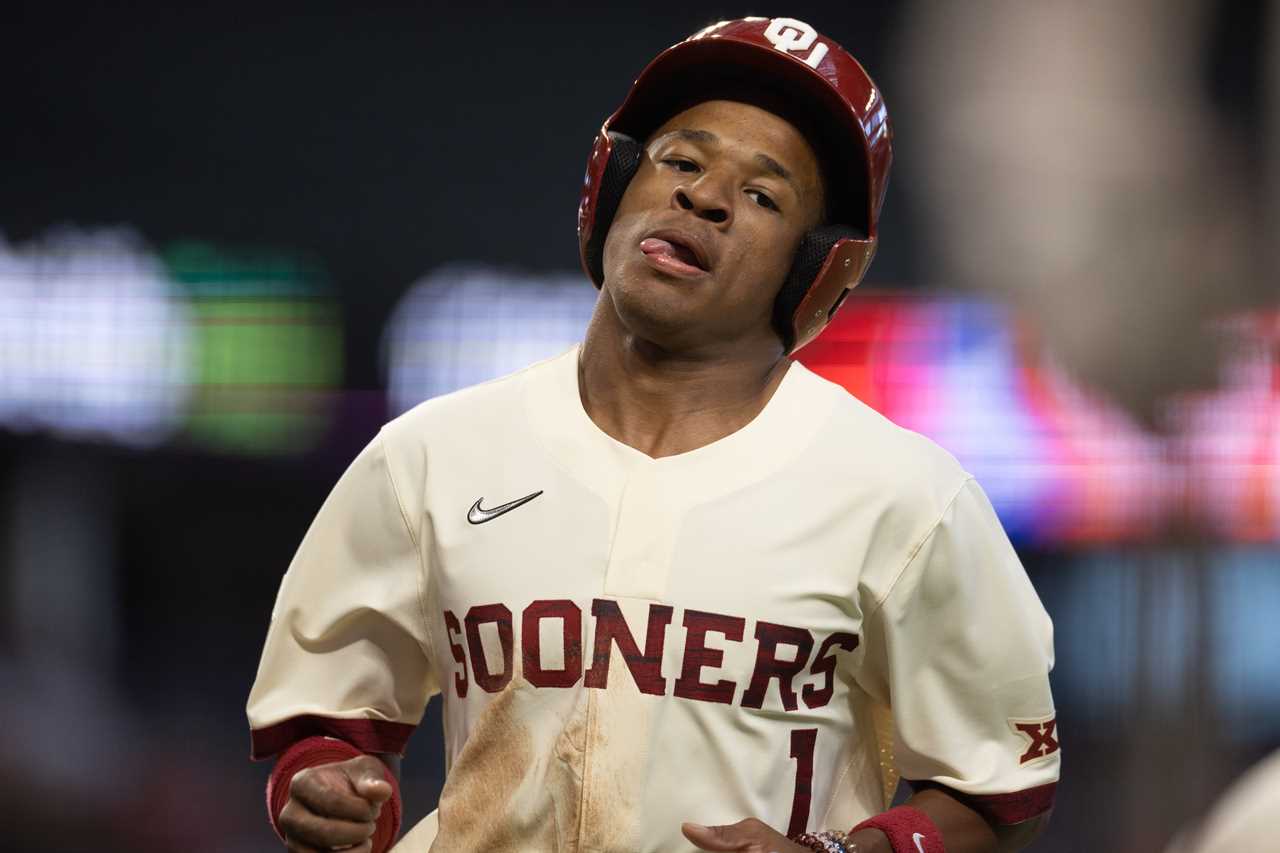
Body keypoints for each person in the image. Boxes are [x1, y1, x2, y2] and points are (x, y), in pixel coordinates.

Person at [246, 17, 1060, 853]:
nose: (703, 197)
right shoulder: (430, 457)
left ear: (818, 268)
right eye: (681, 160)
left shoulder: (907, 497)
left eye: (762, 195)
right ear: (612, 182)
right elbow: (324, 720)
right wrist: (321, 781)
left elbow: (997, 792)